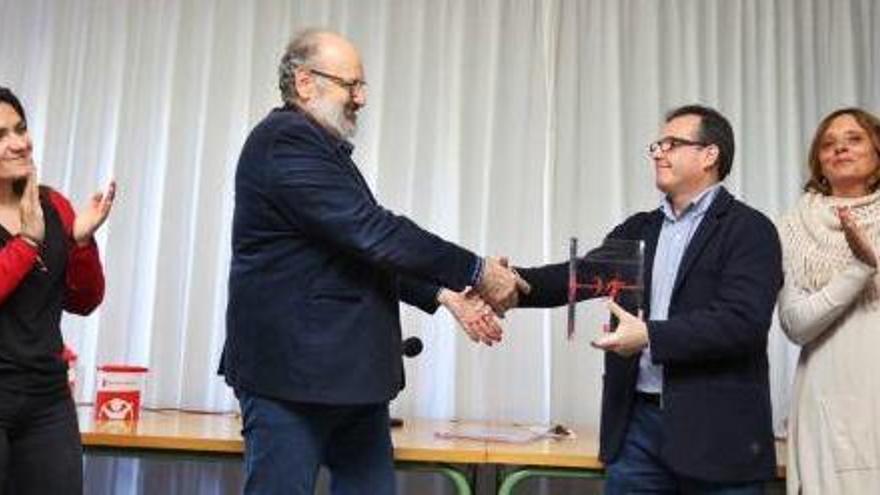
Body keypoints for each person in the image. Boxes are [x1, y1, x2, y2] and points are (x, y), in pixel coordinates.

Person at [220, 29, 526, 495]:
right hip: (292, 382)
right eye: (352, 85)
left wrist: (444, 295)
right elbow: (374, 231)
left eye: (362, 87)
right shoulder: (285, 141)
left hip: (351, 382)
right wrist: (477, 270)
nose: (361, 98)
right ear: (305, 82)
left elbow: (356, 249)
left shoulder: (322, 150)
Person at [515, 105, 782, 493]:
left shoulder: (750, 230)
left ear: (710, 155)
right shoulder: (639, 228)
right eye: (657, 145)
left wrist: (650, 336)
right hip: (637, 430)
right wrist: (498, 281)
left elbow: (743, 323)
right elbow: (575, 278)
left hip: (719, 436)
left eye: (672, 144)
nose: (658, 152)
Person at [0, 87, 115, 494]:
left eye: (20, 128)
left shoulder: (53, 205)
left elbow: (84, 301)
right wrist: (27, 244)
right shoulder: (33, 226)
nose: (18, 143)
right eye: (1, 135)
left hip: (46, 397)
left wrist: (81, 244)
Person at [776, 108, 880, 494]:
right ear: (818, 161)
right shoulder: (791, 227)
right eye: (828, 143)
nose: (840, 148)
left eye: (854, 139)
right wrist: (860, 269)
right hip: (826, 401)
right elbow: (796, 325)